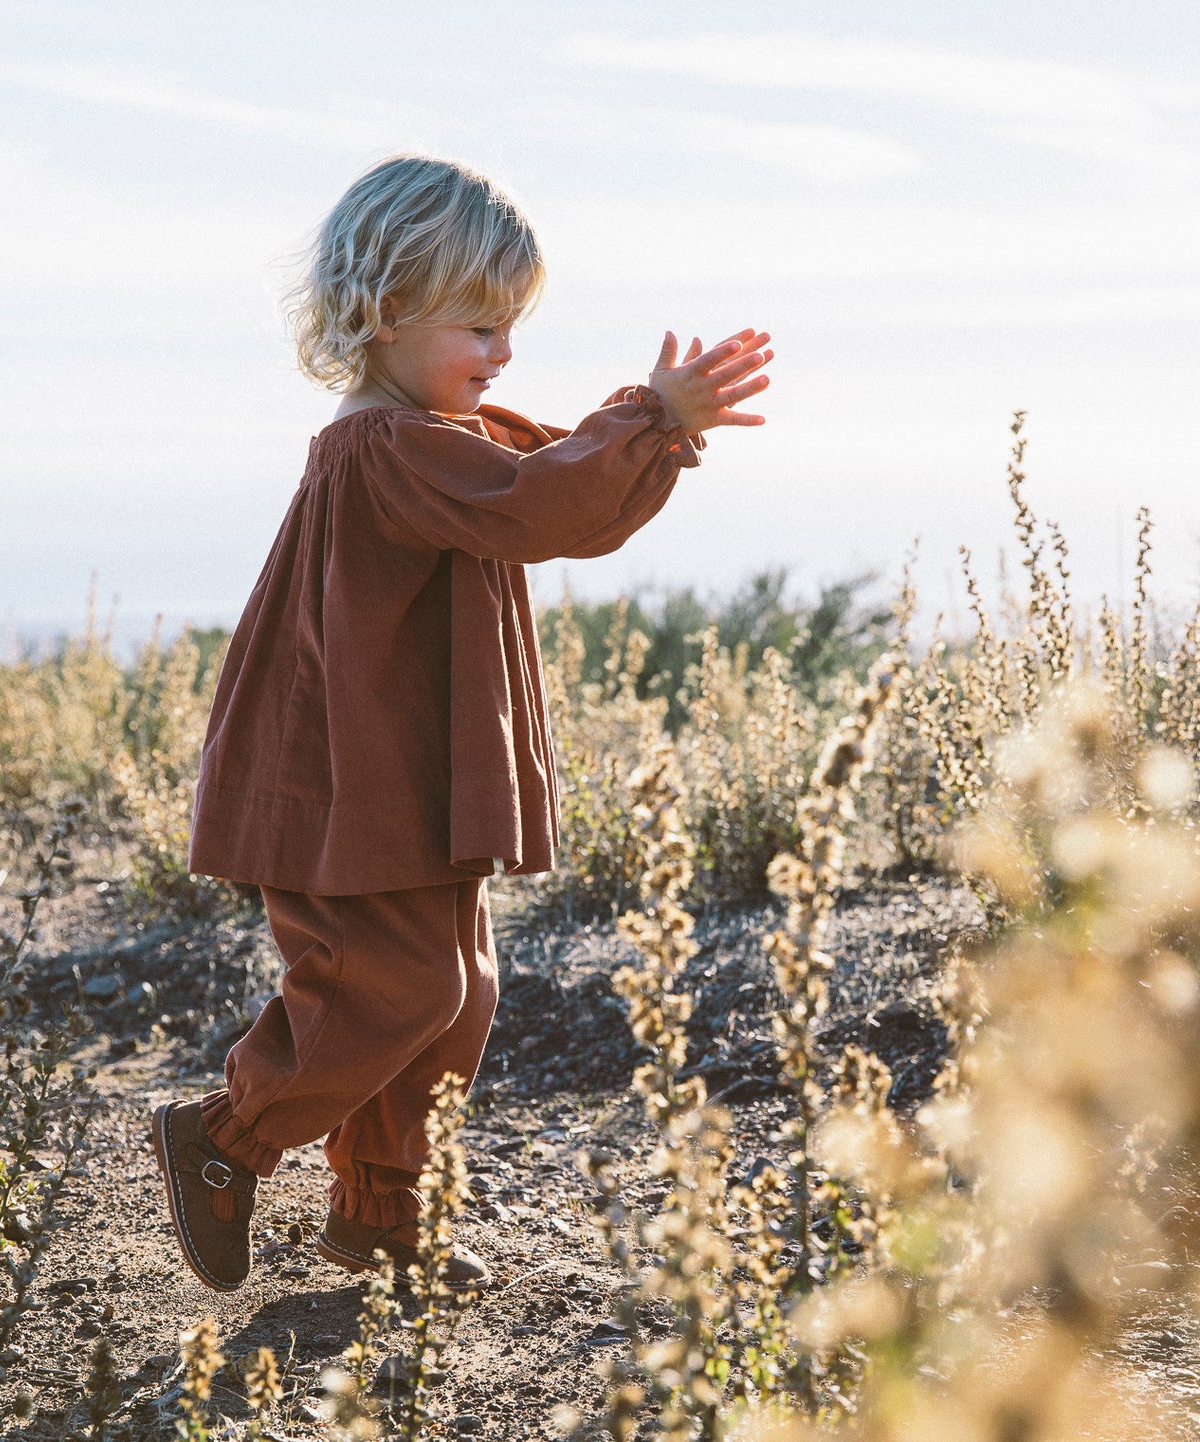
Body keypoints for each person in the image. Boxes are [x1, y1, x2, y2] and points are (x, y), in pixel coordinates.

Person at [149, 153, 773, 1293]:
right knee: (396, 985)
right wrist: (652, 418)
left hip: (407, 783)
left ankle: (382, 1213)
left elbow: (544, 469)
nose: (500, 353)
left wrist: (645, 430)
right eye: (479, 326)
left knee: (455, 987)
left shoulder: (440, 437)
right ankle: (222, 1136)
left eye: (509, 328)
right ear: (386, 313)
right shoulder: (389, 448)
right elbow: (544, 505)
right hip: (353, 782)